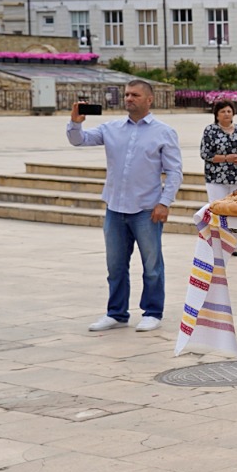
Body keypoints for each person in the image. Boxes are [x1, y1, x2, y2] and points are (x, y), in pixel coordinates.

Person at [68, 80, 181, 333]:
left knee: (152, 265)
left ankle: (152, 312)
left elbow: (174, 172)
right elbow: (79, 140)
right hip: (115, 209)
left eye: (135, 95)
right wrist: (76, 122)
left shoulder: (164, 132)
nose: (129, 98)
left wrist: (165, 203)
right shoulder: (111, 128)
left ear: (149, 99)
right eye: (127, 94)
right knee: (115, 265)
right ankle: (116, 313)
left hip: (146, 209)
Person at [200, 102, 237, 203]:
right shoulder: (210, 130)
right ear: (217, 115)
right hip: (217, 178)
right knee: (218, 208)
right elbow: (205, 154)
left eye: (229, 111)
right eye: (223, 111)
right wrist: (226, 158)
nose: (226, 114)